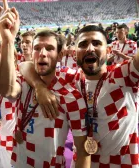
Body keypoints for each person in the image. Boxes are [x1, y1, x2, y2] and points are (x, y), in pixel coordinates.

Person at [20, 25, 139, 167]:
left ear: (108, 51)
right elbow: (25, 66)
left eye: (96, 43)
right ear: (75, 54)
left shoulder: (124, 75)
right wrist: (39, 87)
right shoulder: (70, 78)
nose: (90, 48)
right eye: (83, 44)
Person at [0, 3, 89, 167]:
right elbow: (7, 90)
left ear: (60, 55)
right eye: (37, 48)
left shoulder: (70, 95)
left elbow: (82, 151)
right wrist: (7, 40)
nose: (42, 53)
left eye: (49, 48)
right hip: (17, 163)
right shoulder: (24, 81)